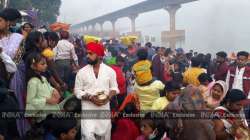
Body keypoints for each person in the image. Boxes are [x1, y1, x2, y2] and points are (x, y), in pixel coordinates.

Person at [74, 42, 119, 140]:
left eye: (90, 53)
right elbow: (77, 91)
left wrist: (108, 98)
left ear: (99, 55)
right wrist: (90, 98)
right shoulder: (81, 72)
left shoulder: (110, 71)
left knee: (105, 135)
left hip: (104, 109)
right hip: (88, 110)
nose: (87, 56)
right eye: (87, 53)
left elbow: (114, 88)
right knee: (87, 135)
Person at [25, 53, 61, 121]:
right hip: (45, 116)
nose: (46, 65)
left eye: (45, 63)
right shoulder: (32, 82)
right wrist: (47, 100)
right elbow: (30, 101)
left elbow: (49, 88)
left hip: (51, 111)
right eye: (42, 64)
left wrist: (54, 90)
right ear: (33, 66)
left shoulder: (42, 78)